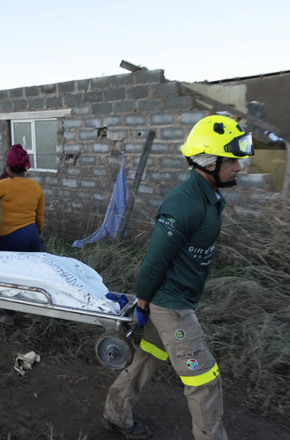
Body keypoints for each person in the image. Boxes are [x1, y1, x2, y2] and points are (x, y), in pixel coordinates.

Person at [101, 115, 251, 440]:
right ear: (211, 161)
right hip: (172, 308)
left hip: (175, 301)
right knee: (204, 381)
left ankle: (116, 414)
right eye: (234, 160)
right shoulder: (183, 204)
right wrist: (142, 303)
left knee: (149, 357)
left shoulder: (210, 198)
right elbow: (154, 263)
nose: (239, 167)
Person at [0, 144, 45, 327]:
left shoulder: (6, 184)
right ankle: (34, 313)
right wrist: (38, 233)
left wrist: (1, 176)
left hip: (11, 237)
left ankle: (9, 315)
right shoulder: (35, 187)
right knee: (31, 274)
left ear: (8, 167)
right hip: (32, 234)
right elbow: (40, 215)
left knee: (8, 275)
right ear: (25, 168)